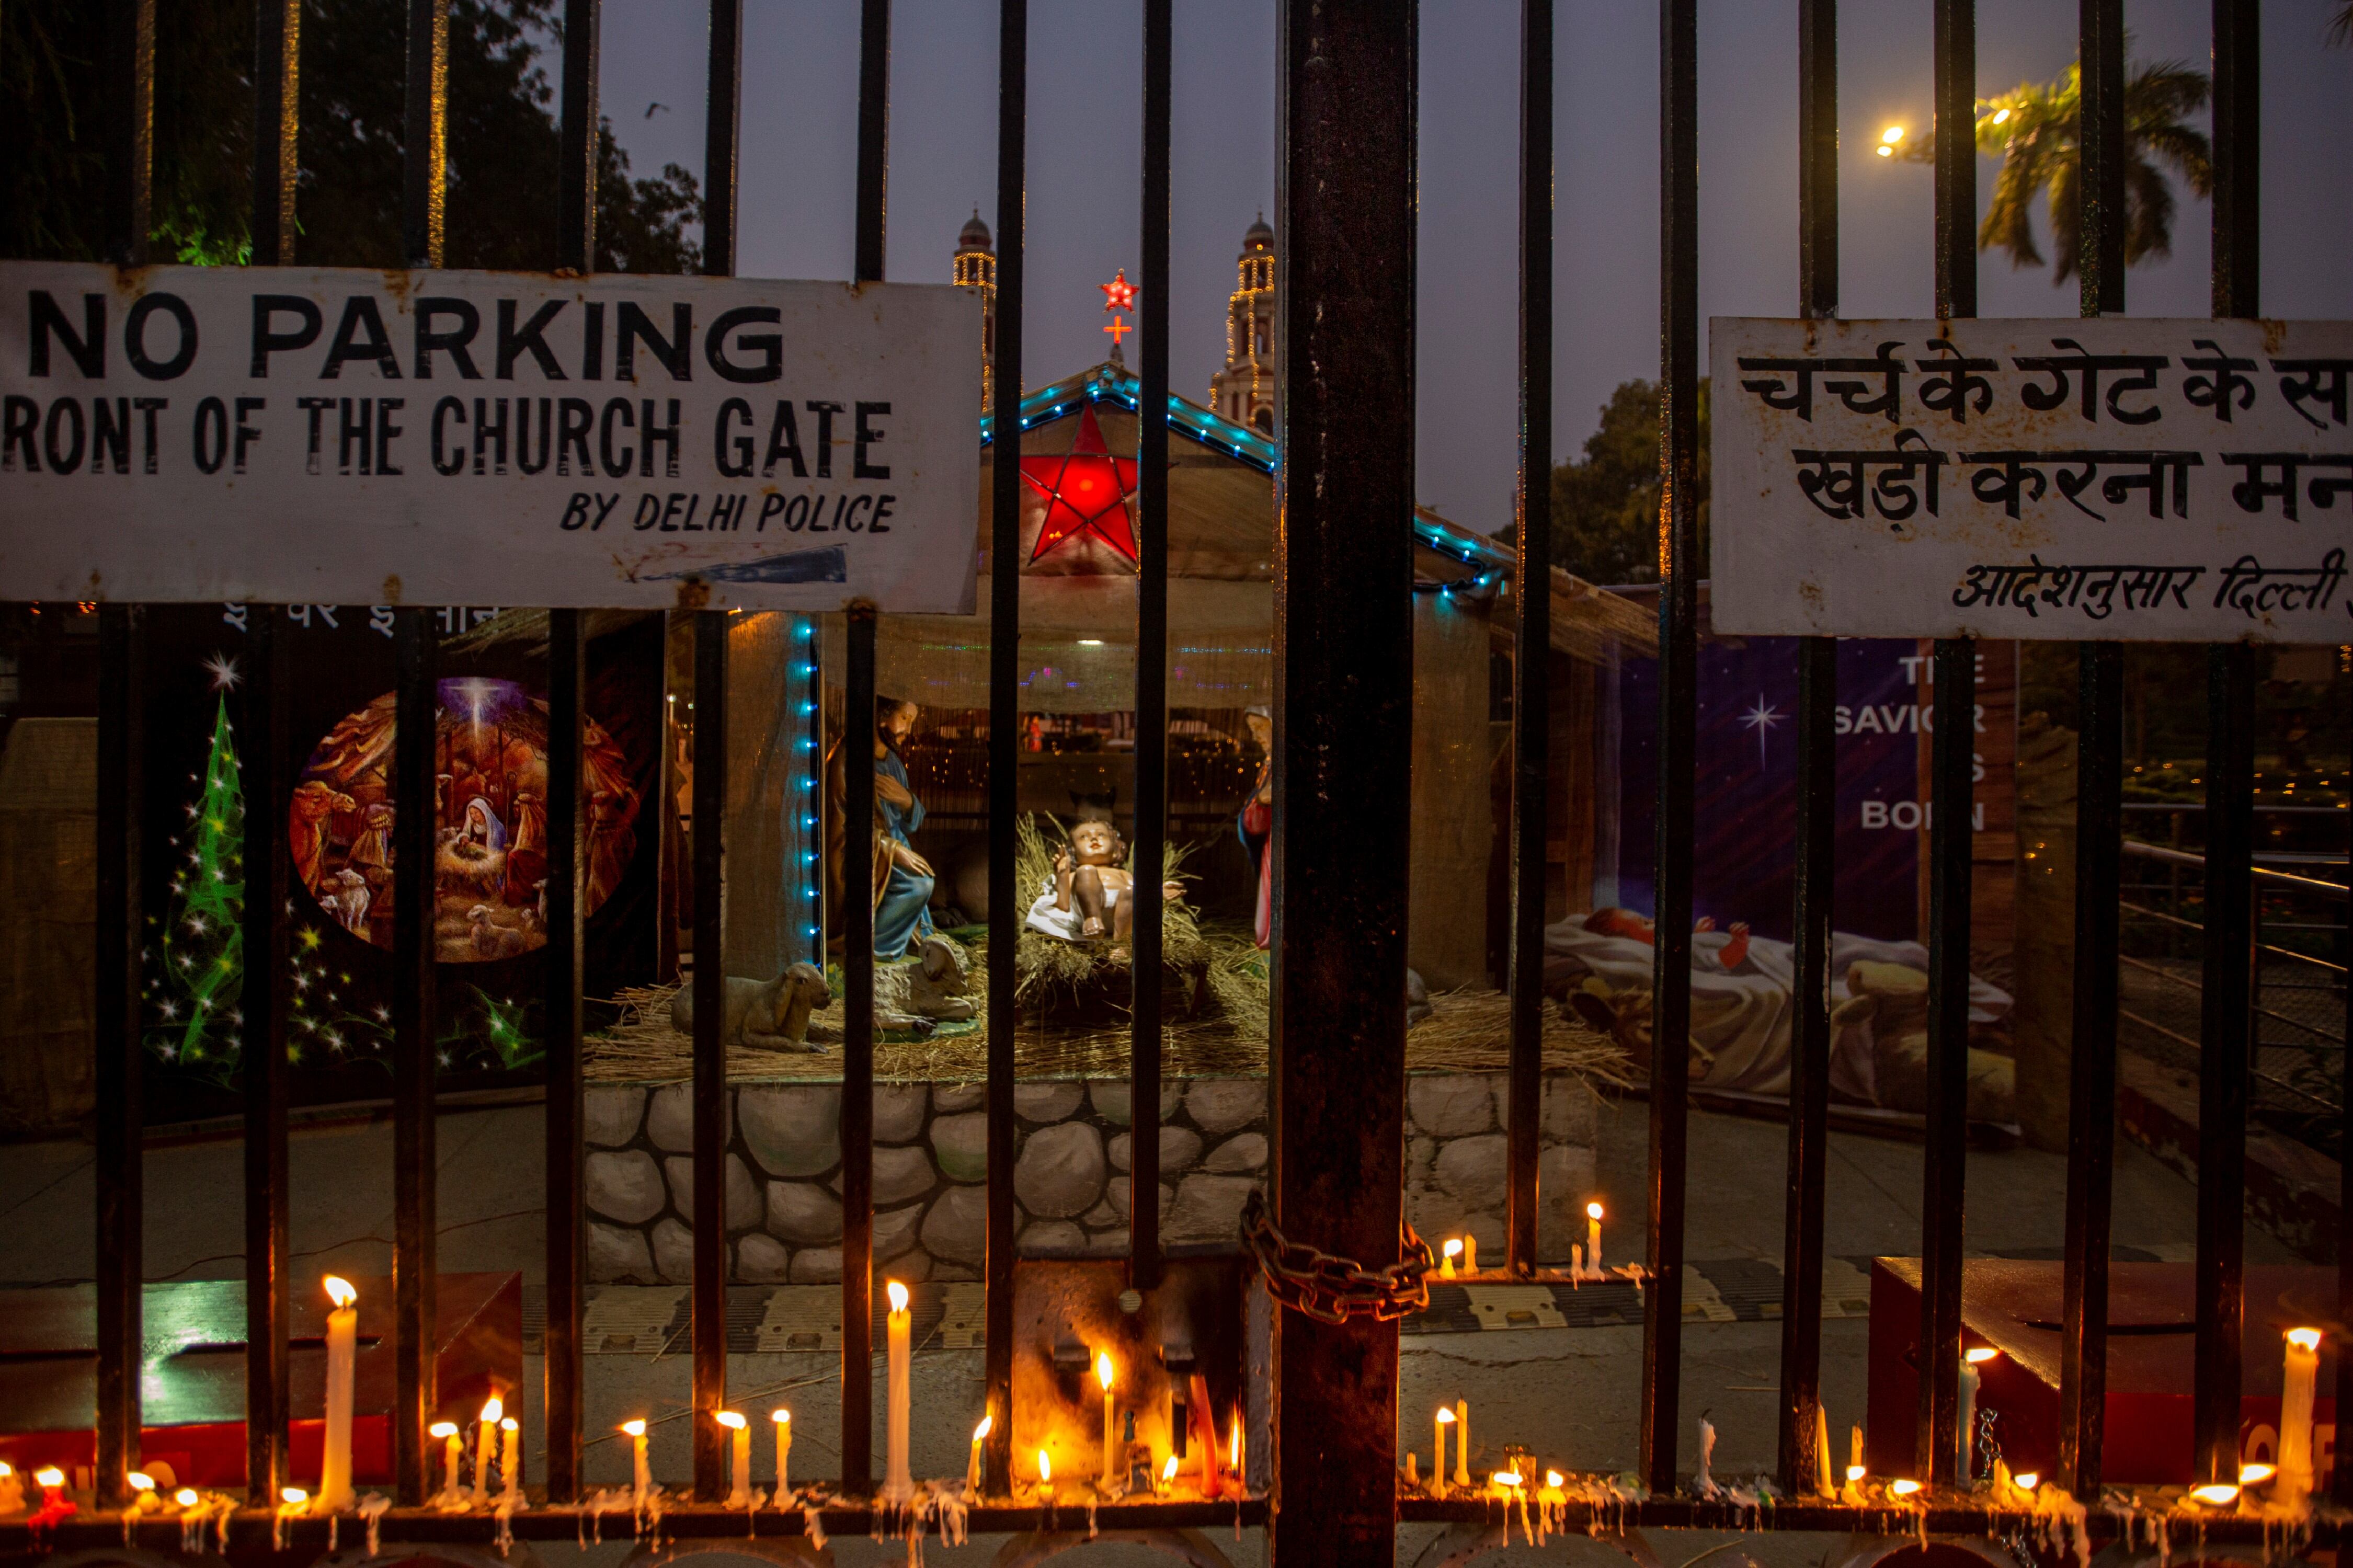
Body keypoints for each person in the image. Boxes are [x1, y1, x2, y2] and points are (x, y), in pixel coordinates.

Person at [828, 696, 936, 962]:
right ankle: (872, 949)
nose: (907, 731)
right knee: (919, 885)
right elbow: (843, 828)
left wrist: (907, 800)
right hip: (861, 854)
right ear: (881, 717)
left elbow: (910, 823)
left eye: (912, 722)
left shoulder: (894, 764)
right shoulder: (848, 760)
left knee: (923, 887)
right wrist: (893, 849)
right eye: (904, 719)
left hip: (889, 849)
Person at [1025, 817, 1184, 957]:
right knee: (1087, 871)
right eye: (1084, 837)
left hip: (1120, 914)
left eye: (1101, 835)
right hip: (1086, 911)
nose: (1094, 839)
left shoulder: (1121, 874)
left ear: (1116, 847)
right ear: (1072, 851)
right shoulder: (1077, 875)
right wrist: (1061, 875)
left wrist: (1158, 891)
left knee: (1130, 891)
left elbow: (1140, 895)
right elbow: (1063, 906)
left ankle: (1123, 945)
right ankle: (1092, 918)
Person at [1236, 706, 1273, 947]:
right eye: (1253, 730)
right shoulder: (1269, 766)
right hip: (1272, 845)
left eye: (1260, 728)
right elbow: (1256, 814)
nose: (1256, 736)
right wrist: (1259, 803)